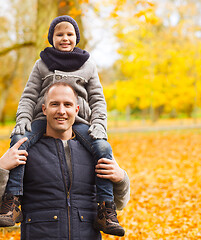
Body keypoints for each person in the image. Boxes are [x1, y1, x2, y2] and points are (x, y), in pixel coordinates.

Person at [0, 15, 125, 236]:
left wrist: (120, 177)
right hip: (40, 231)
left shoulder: (87, 64)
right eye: (59, 34)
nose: (65, 38)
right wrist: (2, 165)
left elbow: (98, 99)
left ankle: (105, 211)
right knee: (19, 141)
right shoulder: (42, 64)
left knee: (104, 148)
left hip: (85, 125)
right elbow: (28, 96)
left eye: (70, 34)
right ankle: (12, 202)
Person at [1, 82, 130, 239]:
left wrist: (121, 178)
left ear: (76, 110)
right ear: (44, 109)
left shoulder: (94, 151)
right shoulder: (24, 150)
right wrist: (1, 168)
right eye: (54, 104)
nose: (61, 111)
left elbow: (120, 203)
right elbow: (5, 207)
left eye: (67, 104)